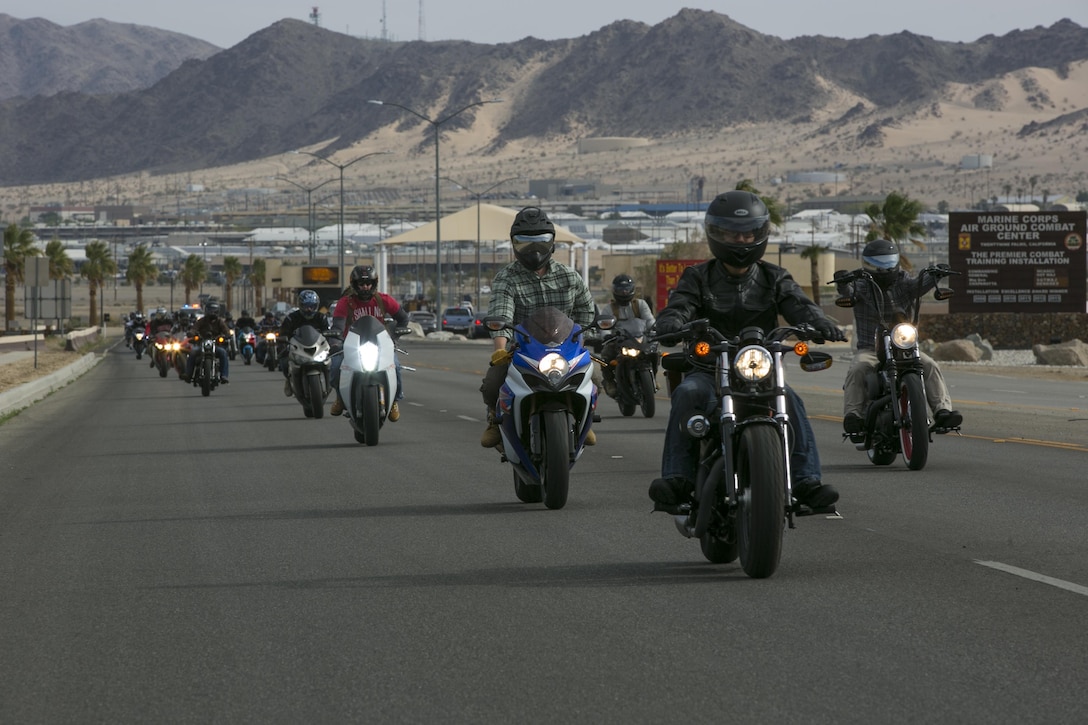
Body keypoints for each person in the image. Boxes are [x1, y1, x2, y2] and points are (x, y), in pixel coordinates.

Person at [648, 190, 844, 510]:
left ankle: (807, 481)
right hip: (709, 367)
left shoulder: (774, 276)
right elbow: (679, 306)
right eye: (732, 233)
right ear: (716, 234)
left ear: (760, 233)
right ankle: (677, 480)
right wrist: (670, 322)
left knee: (791, 400)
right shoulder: (697, 277)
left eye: (748, 232)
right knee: (687, 393)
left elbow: (799, 305)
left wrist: (820, 323)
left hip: (760, 367)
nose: (741, 240)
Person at [479, 206, 598, 448]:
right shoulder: (507, 278)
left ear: (552, 243)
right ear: (514, 245)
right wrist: (500, 349)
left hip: (566, 349)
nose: (534, 250)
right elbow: (501, 313)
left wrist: (583, 341)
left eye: (541, 242)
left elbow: (586, 311)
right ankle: (494, 419)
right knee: (493, 382)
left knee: (597, 376)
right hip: (523, 350)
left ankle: (585, 421)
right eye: (525, 243)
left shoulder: (570, 277)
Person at [836, 238, 963, 434]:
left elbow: (920, 285)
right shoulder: (861, 286)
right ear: (867, 264)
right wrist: (842, 283)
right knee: (858, 368)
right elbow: (849, 292)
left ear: (896, 261)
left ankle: (943, 412)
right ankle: (853, 416)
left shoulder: (904, 281)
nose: (884, 267)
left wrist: (936, 275)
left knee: (929, 365)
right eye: (878, 263)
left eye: (888, 261)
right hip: (871, 348)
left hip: (905, 347)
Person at [329, 265, 409, 419]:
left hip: (380, 344)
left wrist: (394, 338)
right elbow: (337, 326)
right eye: (361, 284)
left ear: (374, 284)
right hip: (351, 345)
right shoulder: (345, 302)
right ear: (354, 284)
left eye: (368, 283)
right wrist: (335, 343)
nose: (365, 287)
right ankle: (340, 397)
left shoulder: (383, 299)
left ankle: (394, 401)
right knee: (335, 367)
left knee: (396, 368)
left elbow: (403, 318)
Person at [598, 273, 656, 398]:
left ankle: (653, 378)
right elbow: (604, 325)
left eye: (627, 289)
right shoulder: (609, 308)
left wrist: (655, 328)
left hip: (639, 339)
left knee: (654, 352)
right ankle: (609, 382)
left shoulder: (640, 304)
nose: (624, 292)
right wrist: (606, 335)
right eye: (621, 289)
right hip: (619, 341)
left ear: (632, 289)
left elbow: (650, 320)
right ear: (615, 291)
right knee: (605, 356)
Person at [277, 290, 332, 396]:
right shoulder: (291, 318)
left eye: (312, 306)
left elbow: (327, 332)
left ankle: (329, 382)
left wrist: (332, 338)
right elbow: (283, 333)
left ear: (316, 306)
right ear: (300, 305)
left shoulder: (321, 317)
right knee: (283, 361)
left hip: (317, 348)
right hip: (298, 348)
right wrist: (283, 339)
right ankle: (289, 379)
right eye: (306, 306)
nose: (309, 309)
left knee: (333, 360)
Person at [184, 300, 231, 384]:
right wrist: (191, 333)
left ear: (218, 311)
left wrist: (226, 335)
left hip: (215, 344)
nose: (212, 313)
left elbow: (226, 330)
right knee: (192, 353)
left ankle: (224, 375)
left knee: (223, 353)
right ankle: (188, 374)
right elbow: (194, 328)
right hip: (202, 343)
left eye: (214, 311)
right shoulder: (202, 320)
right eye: (210, 310)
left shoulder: (220, 322)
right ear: (206, 311)